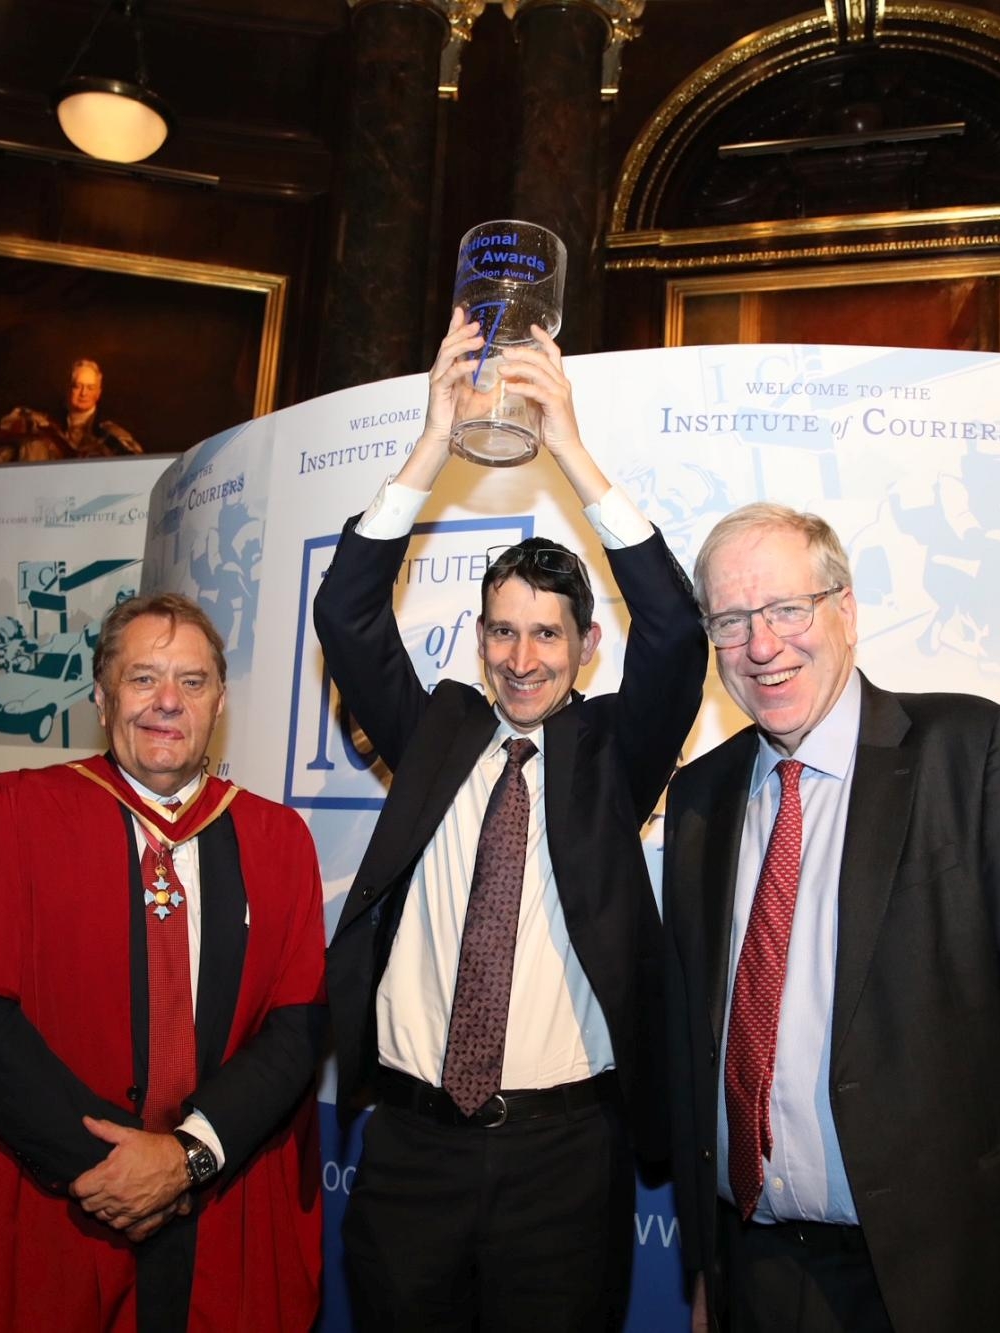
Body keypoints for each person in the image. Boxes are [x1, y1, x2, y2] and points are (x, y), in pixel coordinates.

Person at [312, 310, 707, 1332]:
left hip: (562, 1162)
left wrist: (566, 445)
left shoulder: (610, 756)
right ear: (479, 637)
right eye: (501, 632)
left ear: (584, 649)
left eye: (545, 635)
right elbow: (346, 613)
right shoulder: (434, 733)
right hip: (409, 1150)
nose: (521, 659)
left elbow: (674, 632)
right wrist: (434, 440)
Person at [663, 503, 1000, 1333]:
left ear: (845, 609)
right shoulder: (702, 797)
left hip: (934, 1281)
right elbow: (700, 1049)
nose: (762, 645)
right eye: (731, 621)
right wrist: (709, 1270)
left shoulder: (976, 753)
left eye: (787, 609)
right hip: (755, 1274)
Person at [0, 593, 327, 1333]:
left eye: (192, 681)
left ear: (219, 702)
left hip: (217, 1205)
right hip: (49, 1199)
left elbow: (295, 1028)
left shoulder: (278, 840)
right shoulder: (14, 814)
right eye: (143, 678)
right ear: (102, 699)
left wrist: (186, 1159)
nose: (168, 701)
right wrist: (116, 1171)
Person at [0, 357, 145, 507]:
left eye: (90, 387)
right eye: (77, 386)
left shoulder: (111, 434)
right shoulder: (41, 424)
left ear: (98, 392)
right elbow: (0, 454)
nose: (83, 393)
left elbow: (137, 474)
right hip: (35, 513)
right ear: (68, 389)